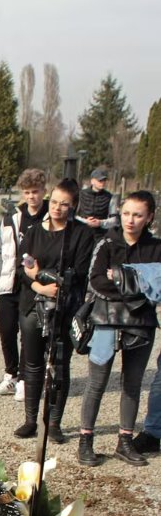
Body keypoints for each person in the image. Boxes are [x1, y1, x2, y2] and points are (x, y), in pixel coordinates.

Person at [77, 191, 161, 467]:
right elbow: (97, 281)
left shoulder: (156, 248)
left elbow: (158, 286)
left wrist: (121, 277)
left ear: (149, 217)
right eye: (126, 213)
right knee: (96, 383)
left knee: (132, 384)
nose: (130, 220)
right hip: (107, 319)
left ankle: (125, 441)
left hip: (141, 324)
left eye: (137, 215)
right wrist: (138, 283)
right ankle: (85, 440)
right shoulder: (107, 242)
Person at [11, 179, 94, 443]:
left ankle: (54, 422)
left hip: (64, 307)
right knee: (32, 364)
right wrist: (39, 284)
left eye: (64, 204)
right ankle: (31, 420)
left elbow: (77, 273)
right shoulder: (34, 232)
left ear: (73, 206)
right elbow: (22, 268)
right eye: (55, 202)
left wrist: (41, 276)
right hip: (32, 304)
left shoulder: (81, 234)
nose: (57, 208)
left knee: (60, 365)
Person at [0, 168, 48, 399]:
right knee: (6, 330)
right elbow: (1, 253)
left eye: (36, 191)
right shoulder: (12, 218)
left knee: (28, 333)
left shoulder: (48, 219)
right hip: (10, 282)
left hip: (32, 285)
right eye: (27, 192)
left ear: (44, 191)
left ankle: (25, 378)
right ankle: (10, 375)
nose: (32, 196)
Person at [75, 168, 119, 233]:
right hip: (82, 231)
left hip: (101, 233)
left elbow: (114, 220)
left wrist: (100, 222)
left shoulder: (110, 197)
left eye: (104, 180)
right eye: (100, 180)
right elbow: (73, 215)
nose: (103, 183)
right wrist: (86, 221)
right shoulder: (81, 194)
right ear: (92, 181)